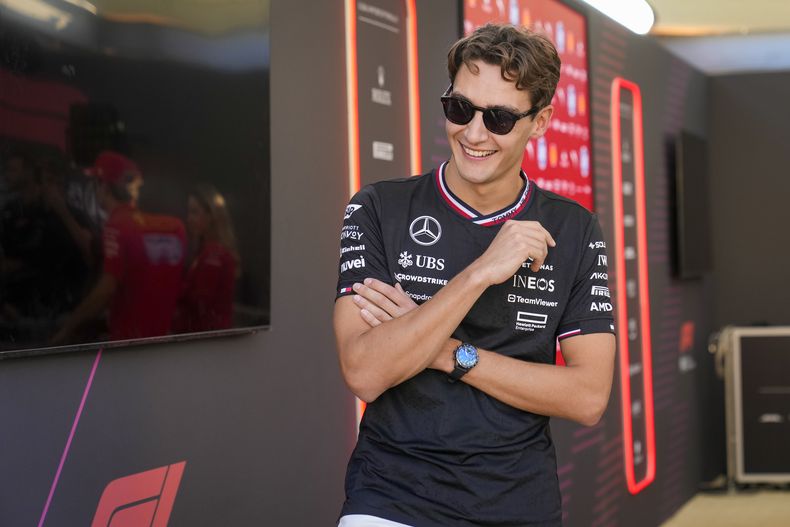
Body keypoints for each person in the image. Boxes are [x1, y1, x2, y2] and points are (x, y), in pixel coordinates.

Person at [333, 24, 616, 527]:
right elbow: (366, 372)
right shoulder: (379, 208)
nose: (474, 133)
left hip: (518, 501)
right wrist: (480, 272)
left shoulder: (573, 229)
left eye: (501, 118)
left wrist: (442, 351)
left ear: (541, 121)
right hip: (391, 496)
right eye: (460, 109)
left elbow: (589, 396)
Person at [52, 151, 186, 343]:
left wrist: (66, 329)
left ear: (103, 186)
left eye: (94, 183)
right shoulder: (174, 227)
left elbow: (105, 290)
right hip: (162, 340)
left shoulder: (117, 227)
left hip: (126, 344)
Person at [173, 183, 238, 333]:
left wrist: (168, 287)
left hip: (208, 340)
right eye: (189, 212)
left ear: (211, 216)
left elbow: (200, 300)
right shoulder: (203, 250)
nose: (189, 219)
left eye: (194, 212)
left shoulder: (215, 254)